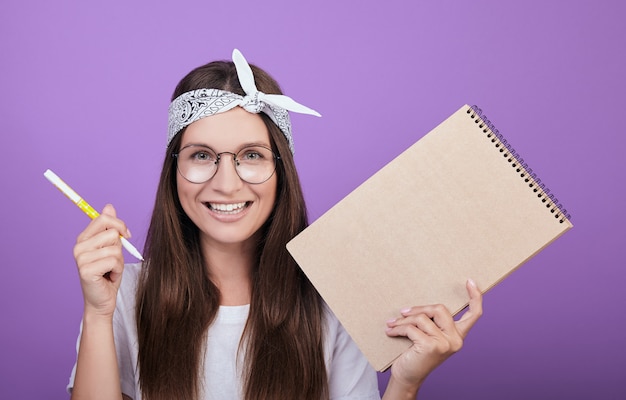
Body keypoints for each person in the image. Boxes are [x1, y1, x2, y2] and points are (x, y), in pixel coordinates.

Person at [67, 49, 483, 400]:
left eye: (251, 155)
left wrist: (405, 384)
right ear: (172, 172)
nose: (226, 184)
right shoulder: (121, 295)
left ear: (281, 169)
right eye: (200, 156)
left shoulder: (332, 302)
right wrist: (98, 313)